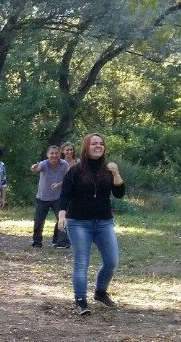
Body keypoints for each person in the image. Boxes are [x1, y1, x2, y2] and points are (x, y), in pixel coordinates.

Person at [57, 133, 125, 315]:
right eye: (94, 143)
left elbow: (119, 193)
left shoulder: (108, 170)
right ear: (86, 147)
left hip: (104, 222)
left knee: (112, 261)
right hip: (78, 223)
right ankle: (80, 301)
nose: (98, 146)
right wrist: (61, 216)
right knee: (81, 263)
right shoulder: (75, 170)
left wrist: (116, 173)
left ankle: (100, 292)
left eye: (101, 143)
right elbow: (65, 195)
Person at [30, 145, 70, 248]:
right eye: (51, 153)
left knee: (62, 219)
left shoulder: (64, 164)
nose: (54, 155)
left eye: (56, 153)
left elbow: (67, 179)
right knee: (39, 221)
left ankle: (61, 242)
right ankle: (37, 241)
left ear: (59, 154)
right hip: (42, 197)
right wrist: (34, 168)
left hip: (58, 197)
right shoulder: (44, 163)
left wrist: (59, 184)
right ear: (48, 155)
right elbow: (37, 168)